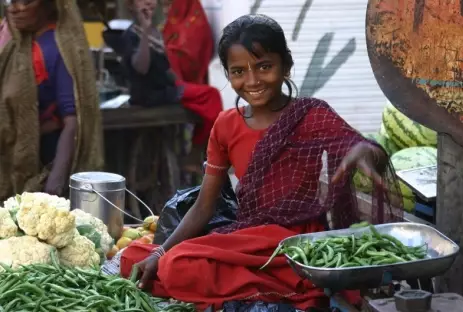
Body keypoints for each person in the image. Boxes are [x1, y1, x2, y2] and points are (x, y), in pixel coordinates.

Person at [120, 14, 402, 310]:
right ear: (228, 75)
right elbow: (204, 206)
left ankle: (275, 285)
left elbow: (367, 149)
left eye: (264, 66)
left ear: (286, 66)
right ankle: (258, 285)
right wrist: (161, 251)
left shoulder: (310, 115)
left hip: (297, 245)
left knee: (178, 266)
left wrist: (363, 153)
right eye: (239, 71)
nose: (253, 80)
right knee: (138, 258)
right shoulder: (225, 125)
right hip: (250, 237)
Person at [0, 0, 103, 201]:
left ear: (48, 5)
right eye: (11, 1)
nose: (15, 8)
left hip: (45, 157)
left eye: (26, 2)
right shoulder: (13, 42)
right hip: (9, 159)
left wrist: (56, 177)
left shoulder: (59, 48)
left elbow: (72, 120)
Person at [105, 0, 222, 144]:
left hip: (165, 88)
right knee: (211, 96)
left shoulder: (156, 31)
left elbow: (165, 67)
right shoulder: (131, 34)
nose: (149, 2)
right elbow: (141, 67)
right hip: (151, 95)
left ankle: (201, 147)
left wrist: (179, 85)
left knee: (208, 95)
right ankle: (204, 147)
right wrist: (145, 32)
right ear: (131, 5)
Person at [160, 0, 214, 84]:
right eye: (163, 6)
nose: (165, 10)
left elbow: (194, 59)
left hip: (190, 83)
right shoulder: (171, 23)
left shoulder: (197, 25)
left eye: (168, 5)